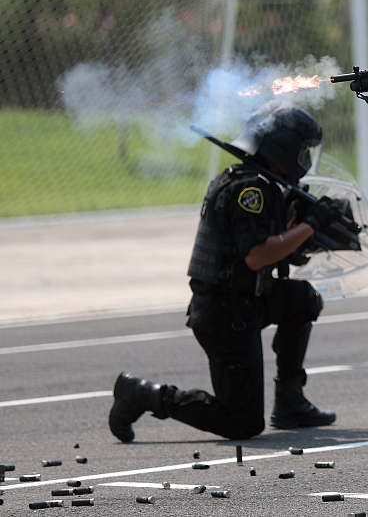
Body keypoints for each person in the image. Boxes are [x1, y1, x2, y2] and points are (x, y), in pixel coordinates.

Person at [108, 101, 344, 442]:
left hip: (247, 300)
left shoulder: (261, 184)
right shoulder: (249, 191)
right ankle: (145, 394)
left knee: (301, 299)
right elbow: (256, 256)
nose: (304, 159)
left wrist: (301, 227)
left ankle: (290, 403)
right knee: (242, 423)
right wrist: (312, 224)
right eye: (301, 150)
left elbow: (279, 253)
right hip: (225, 315)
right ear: (282, 147)